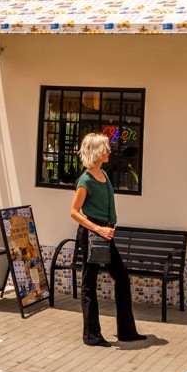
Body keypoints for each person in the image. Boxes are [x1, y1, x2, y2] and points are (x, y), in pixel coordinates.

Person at [69, 133, 145, 347]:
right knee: (89, 284)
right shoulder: (85, 181)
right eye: (105, 148)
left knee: (122, 278)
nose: (109, 152)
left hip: (105, 234)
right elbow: (74, 212)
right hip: (92, 234)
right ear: (96, 152)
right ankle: (91, 336)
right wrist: (98, 229)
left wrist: (107, 228)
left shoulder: (103, 174)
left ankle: (127, 331)